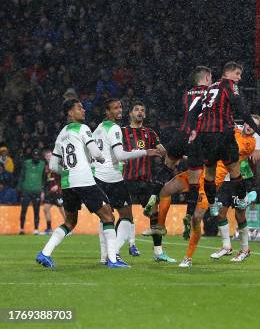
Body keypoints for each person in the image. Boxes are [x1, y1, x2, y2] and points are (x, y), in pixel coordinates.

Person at [36, 98, 128, 269]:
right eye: (79, 108)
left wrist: (69, 168)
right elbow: (97, 153)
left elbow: (53, 166)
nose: (83, 110)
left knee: (70, 222)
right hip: (84, 180)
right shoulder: (84, 129)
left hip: (67, 183)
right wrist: (98, 158)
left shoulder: (61, 134)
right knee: (108, 215)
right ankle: (113, 261)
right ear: (70, 113)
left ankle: (45, 253)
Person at [178, 116, 260, 267]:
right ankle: (226, 246)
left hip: (239, 180)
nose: (250, 127)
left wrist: (259, 142)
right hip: (224, 181)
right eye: (248, 123)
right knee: (220, 214)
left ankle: (245, 249)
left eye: (254, 126)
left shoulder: (249, 143)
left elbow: (229, 149)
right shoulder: (235, 132)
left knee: (239, 215)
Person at [192, 61, 260, 236]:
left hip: (205, 135)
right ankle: (241, 199)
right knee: (235, 170)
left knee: (209, 173)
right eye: (237, 74)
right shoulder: (229, 85)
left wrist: (194, 129)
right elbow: (242, 110)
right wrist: (259, 131)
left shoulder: (210, 87)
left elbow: (195, 110)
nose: (239, 78)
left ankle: (212, 204)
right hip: (222, 134)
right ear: (229, 73)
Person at [93, 98, 160, 264]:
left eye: (120, 107)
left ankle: (105, 256)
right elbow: (121, 156)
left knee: (106, 217)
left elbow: (92, 153)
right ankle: (113, 254)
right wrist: (146, 152)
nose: (119, 110)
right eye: (115, 108)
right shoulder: (116, 128)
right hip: (114, 178)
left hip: (98, 178)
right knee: (126, 217)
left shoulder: (98, 129)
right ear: (107, 112)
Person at [147, 66, 212, 237]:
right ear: (206, 78)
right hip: (194, 137)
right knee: (194, 181)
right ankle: (189, 215)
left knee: (168, 165)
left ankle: (153, 195)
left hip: (180, 135)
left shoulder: (187, 94)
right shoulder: (211, 93)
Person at [121, 101, 175, 262]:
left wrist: (172, 153)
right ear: (130, 113)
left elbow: (162, 150)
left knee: (155, 214)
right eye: (136, 109)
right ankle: (113, 252)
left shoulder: (149, 133)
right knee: (124, 216)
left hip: (145, 180)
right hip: (125, 180)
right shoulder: (122, 132)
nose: (139, 112)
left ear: (145, 115)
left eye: (142, 110)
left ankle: (158, 253)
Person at [17, 148, 46, 235]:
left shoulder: (43, 164)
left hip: (37, 191)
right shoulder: (26, 163)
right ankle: (21, 229)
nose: (36, 157)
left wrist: (43, 190)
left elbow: (44, 179)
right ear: (32, 155)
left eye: (37, 155)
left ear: (39, 156)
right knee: (23, 210)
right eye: (34, 155)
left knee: (36, 211)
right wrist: (19, 189)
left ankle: (36, 229)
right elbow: (22, 176)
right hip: (26, 191)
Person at [42, 149, 65, 234]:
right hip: (49, 193)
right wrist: (43, 191)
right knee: (45, 209)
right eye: (47, 156)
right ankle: (49, 229)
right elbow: (44, 180)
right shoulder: (46, 167)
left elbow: (64, 176)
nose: (49, 158)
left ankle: (69, 228)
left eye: (50, 156)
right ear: (45, 158)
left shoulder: (57, 165)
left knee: (62, 210)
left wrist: (58, 186)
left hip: (58, 192)